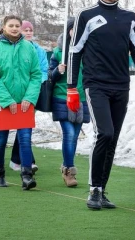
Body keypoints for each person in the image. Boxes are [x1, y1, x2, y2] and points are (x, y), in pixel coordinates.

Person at [67, 0, 135, 210]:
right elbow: (75, 51)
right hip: (96, 85)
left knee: (113, 139)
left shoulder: (130, 17)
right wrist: (71, 88)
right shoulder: (86, 15)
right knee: (103, 133)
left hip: (121, 86)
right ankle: (94, 190)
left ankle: (102, 191)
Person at [0, 15, 42, 189]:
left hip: (24, 104)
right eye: (11, 25)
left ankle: (26, 176)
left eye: (18, 25)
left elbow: (36, 75)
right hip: (2, 104)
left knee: (25, 139)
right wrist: (7, 100)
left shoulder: (29, 48)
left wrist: (29, 98)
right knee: (1, 139)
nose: (15, 28)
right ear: (4, 27)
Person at [50, 19, 90, 187]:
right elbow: (50, 75)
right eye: (73, 29)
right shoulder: (59, 52)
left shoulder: (88, 51)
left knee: (74, 138)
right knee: (70, 134)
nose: (76, 32)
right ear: (68, 31)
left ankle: (66, 166)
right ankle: (69, 171)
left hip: (81, 98)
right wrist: (57, 71)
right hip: (62, 96)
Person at [9, 20, 47, 172]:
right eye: (25, 30)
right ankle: (27, 161)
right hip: (17, 93)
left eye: (30, 30)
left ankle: (17, 160)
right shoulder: (14, 48)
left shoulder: (40, 51)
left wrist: (36, 85)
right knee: (23, 126)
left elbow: (43, 71)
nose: (29, 32)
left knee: (24, 126)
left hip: (33, 93)